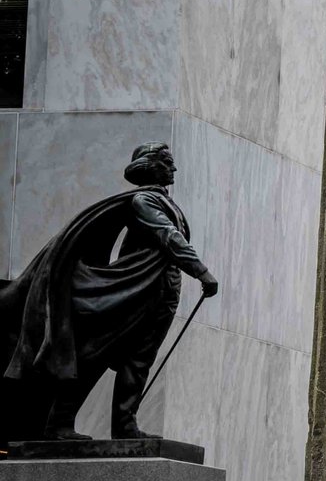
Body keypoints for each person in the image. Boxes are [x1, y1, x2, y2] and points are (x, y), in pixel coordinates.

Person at [0, 143, 217, 445]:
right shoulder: (144, 201)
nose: (174, 169)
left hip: (162, 289)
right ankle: (58, 423)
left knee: (139, 361)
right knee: (95, 354)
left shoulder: (161, 201)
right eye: (167, 162)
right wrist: (201, 271)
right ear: (150, 166)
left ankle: (125, 426)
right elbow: (168, 236)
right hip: (132, 288)